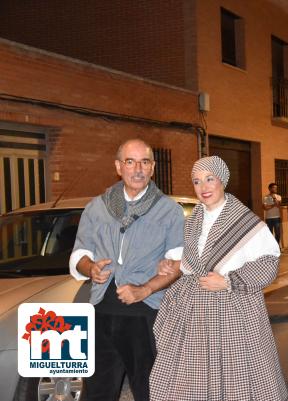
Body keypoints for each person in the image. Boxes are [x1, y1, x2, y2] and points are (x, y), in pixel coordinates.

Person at [150, 156, 288, 401]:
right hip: (194, 313)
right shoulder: (192, 220)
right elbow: (192, 261)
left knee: (237, 378)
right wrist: (172, 264)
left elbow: (269, 262)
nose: (203, 187)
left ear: (222, 180)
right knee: (188, 380)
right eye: (197, 181)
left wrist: (228, 281)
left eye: (209, 179)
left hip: (233, 309)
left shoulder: (245, 221)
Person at [69, 139, 185, 401]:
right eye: (130, 162)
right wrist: (90, 268)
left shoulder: (168, 210)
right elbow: (79, 253)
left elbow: (177, 263)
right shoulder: (97, 207)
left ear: (153, 168)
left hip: (146, 313)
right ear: (118, 167)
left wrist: (145, 289)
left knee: (150, 390)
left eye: (144, 162)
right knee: (98, 390)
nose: (138, 169)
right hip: (101, 310)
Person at [263, 182, 282, 247]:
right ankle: (271, 247)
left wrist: (274, 199)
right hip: (269, 218)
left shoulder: (278, 197)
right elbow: (265, 208)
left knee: (278, 233)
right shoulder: (265, 197)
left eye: (276, 188)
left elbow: (279, 206)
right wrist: (274, 205)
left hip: (277, 217)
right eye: (274, 188)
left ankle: (277, 246)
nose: (275, 189)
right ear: (270, 188)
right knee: (270, 234)